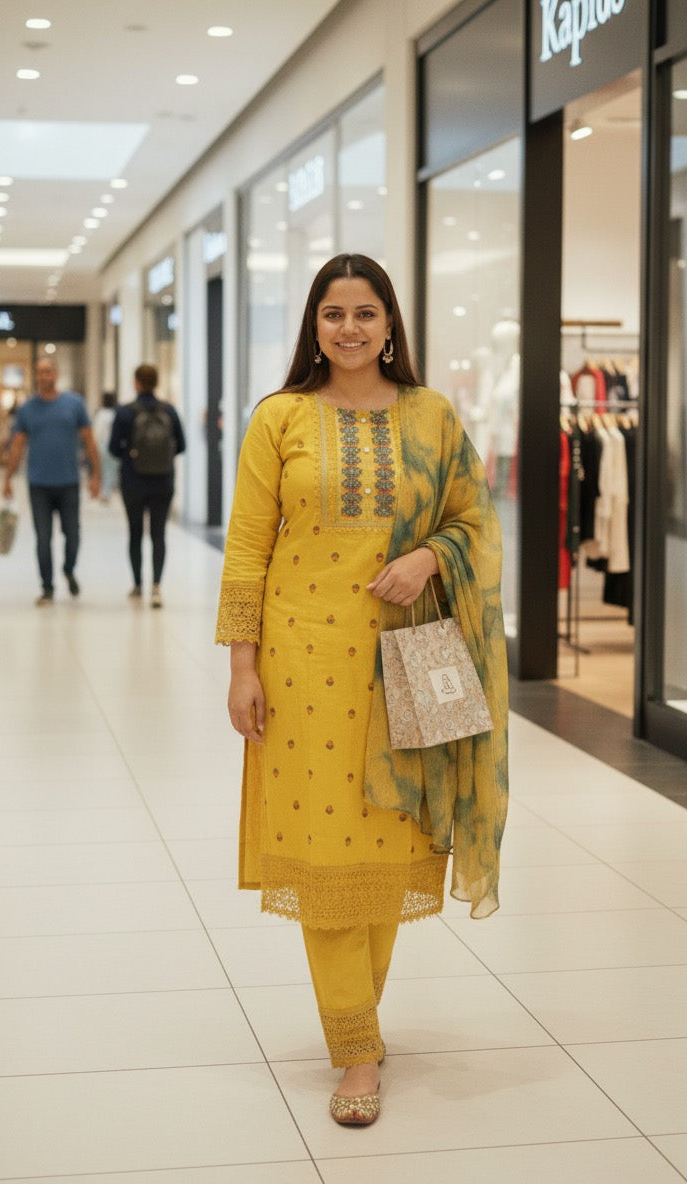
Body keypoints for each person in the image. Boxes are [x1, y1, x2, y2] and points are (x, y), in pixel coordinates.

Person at [214, 253, 508, 1126]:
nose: (350, 328)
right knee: (326, 856)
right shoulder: (281, 419)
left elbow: (475, 520)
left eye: (366, 313)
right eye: (334, 313)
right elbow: (246, 548)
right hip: (304, 667)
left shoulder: (433, 416)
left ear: (390, 326)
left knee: (391, 847)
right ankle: (354, 1051)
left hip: (412, 660)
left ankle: (361, 1022)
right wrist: (241, 665)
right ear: (314, 325)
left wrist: (427, 558)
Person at [2, 358, 100, 606]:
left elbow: (89, 441)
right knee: (43, 539)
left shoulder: (74, 404)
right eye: (39, 372)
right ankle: (47, 587)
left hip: (69, 483)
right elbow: (17, 445)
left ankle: (68, 568)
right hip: (39, 485)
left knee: (73, 535)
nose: (44, 376)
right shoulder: (27, 409)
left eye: (48, 372)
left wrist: (96, 475)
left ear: (56, 374)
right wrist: (7, 478)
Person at [109, 364, 186, 608]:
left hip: (133, 481)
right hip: (163, 480)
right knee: (158, 533)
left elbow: (113, 448)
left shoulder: (125, 412)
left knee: (135, 533)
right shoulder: (170, 411)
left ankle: (137, 585)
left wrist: (130, 454)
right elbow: (181, 445)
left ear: (136, 383)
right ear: (156, 382)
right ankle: (156, 587)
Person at [92, 391, 120, 502]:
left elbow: (97, 431)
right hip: (114, 444)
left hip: (103, 444)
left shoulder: (101, 414)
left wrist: (95, 444)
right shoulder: (115, 413)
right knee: (111, 469)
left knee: (103, 468)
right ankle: (106, 492)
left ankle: (104, 492)